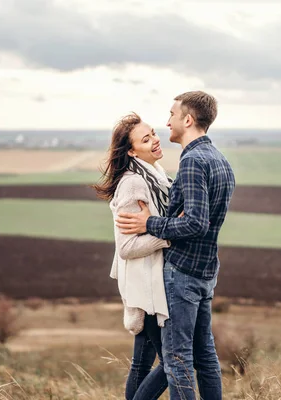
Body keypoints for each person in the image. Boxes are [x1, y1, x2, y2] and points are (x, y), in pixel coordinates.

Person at [116, 91, 236, 400]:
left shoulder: (193, 161)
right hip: (206, 270)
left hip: (182, 273)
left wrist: (150, 224)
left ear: (187, 119)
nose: (166, 121)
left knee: (178, 360)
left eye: (171, 115)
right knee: (204, 356)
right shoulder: (220, 160)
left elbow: (195, 222)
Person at [93, 112, 172, 400]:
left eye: (153, 133)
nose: (155, 140)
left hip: (151, 279)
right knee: (173, 362)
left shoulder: (156, 175)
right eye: (146, 138)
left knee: (142, 362)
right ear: (131, 151)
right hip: (145, 284)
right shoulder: (134, 183)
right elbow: (126, 248)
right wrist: (168, 235)